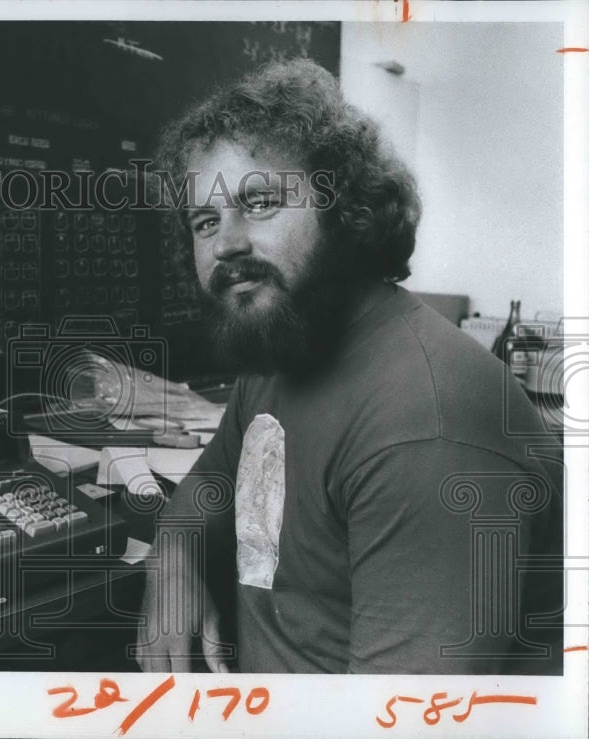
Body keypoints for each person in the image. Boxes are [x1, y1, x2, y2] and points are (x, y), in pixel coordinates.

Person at [135, 59, 563, 675]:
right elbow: (208, 485)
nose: (225, 242)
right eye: (205, 221)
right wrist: (172, 560)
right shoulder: (278, 351)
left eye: (259, 202)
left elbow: (403, 720)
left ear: (346, 210)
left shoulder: (426, 425)